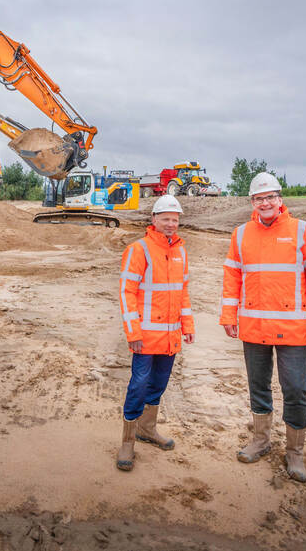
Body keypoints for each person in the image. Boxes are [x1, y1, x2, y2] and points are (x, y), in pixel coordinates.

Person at [219, 172, 306, 483]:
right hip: (254, 327)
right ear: (252, 202)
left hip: (294, 329)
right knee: (259, 387)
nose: (264, 203)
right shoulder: (240, 234)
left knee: (295, 389)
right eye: (258, 198)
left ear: (280, 199)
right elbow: (232, 279)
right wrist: (229, 316)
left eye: (269, 197)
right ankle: (261, 439)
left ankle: (295, 452)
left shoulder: (303, 231)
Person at [117, 194, 195, 471]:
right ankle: (128, 440)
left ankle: (146, 429)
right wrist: (133, 332)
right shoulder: (139, 250)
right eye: (165, 219)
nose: (171, 224)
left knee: (158, 384)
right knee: (138, 385)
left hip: (171, 335)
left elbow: (182, 293)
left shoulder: (181, 251)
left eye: (175, 220)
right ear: (154, 220)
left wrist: (187, 325)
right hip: (145, 336)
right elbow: (127, 292)